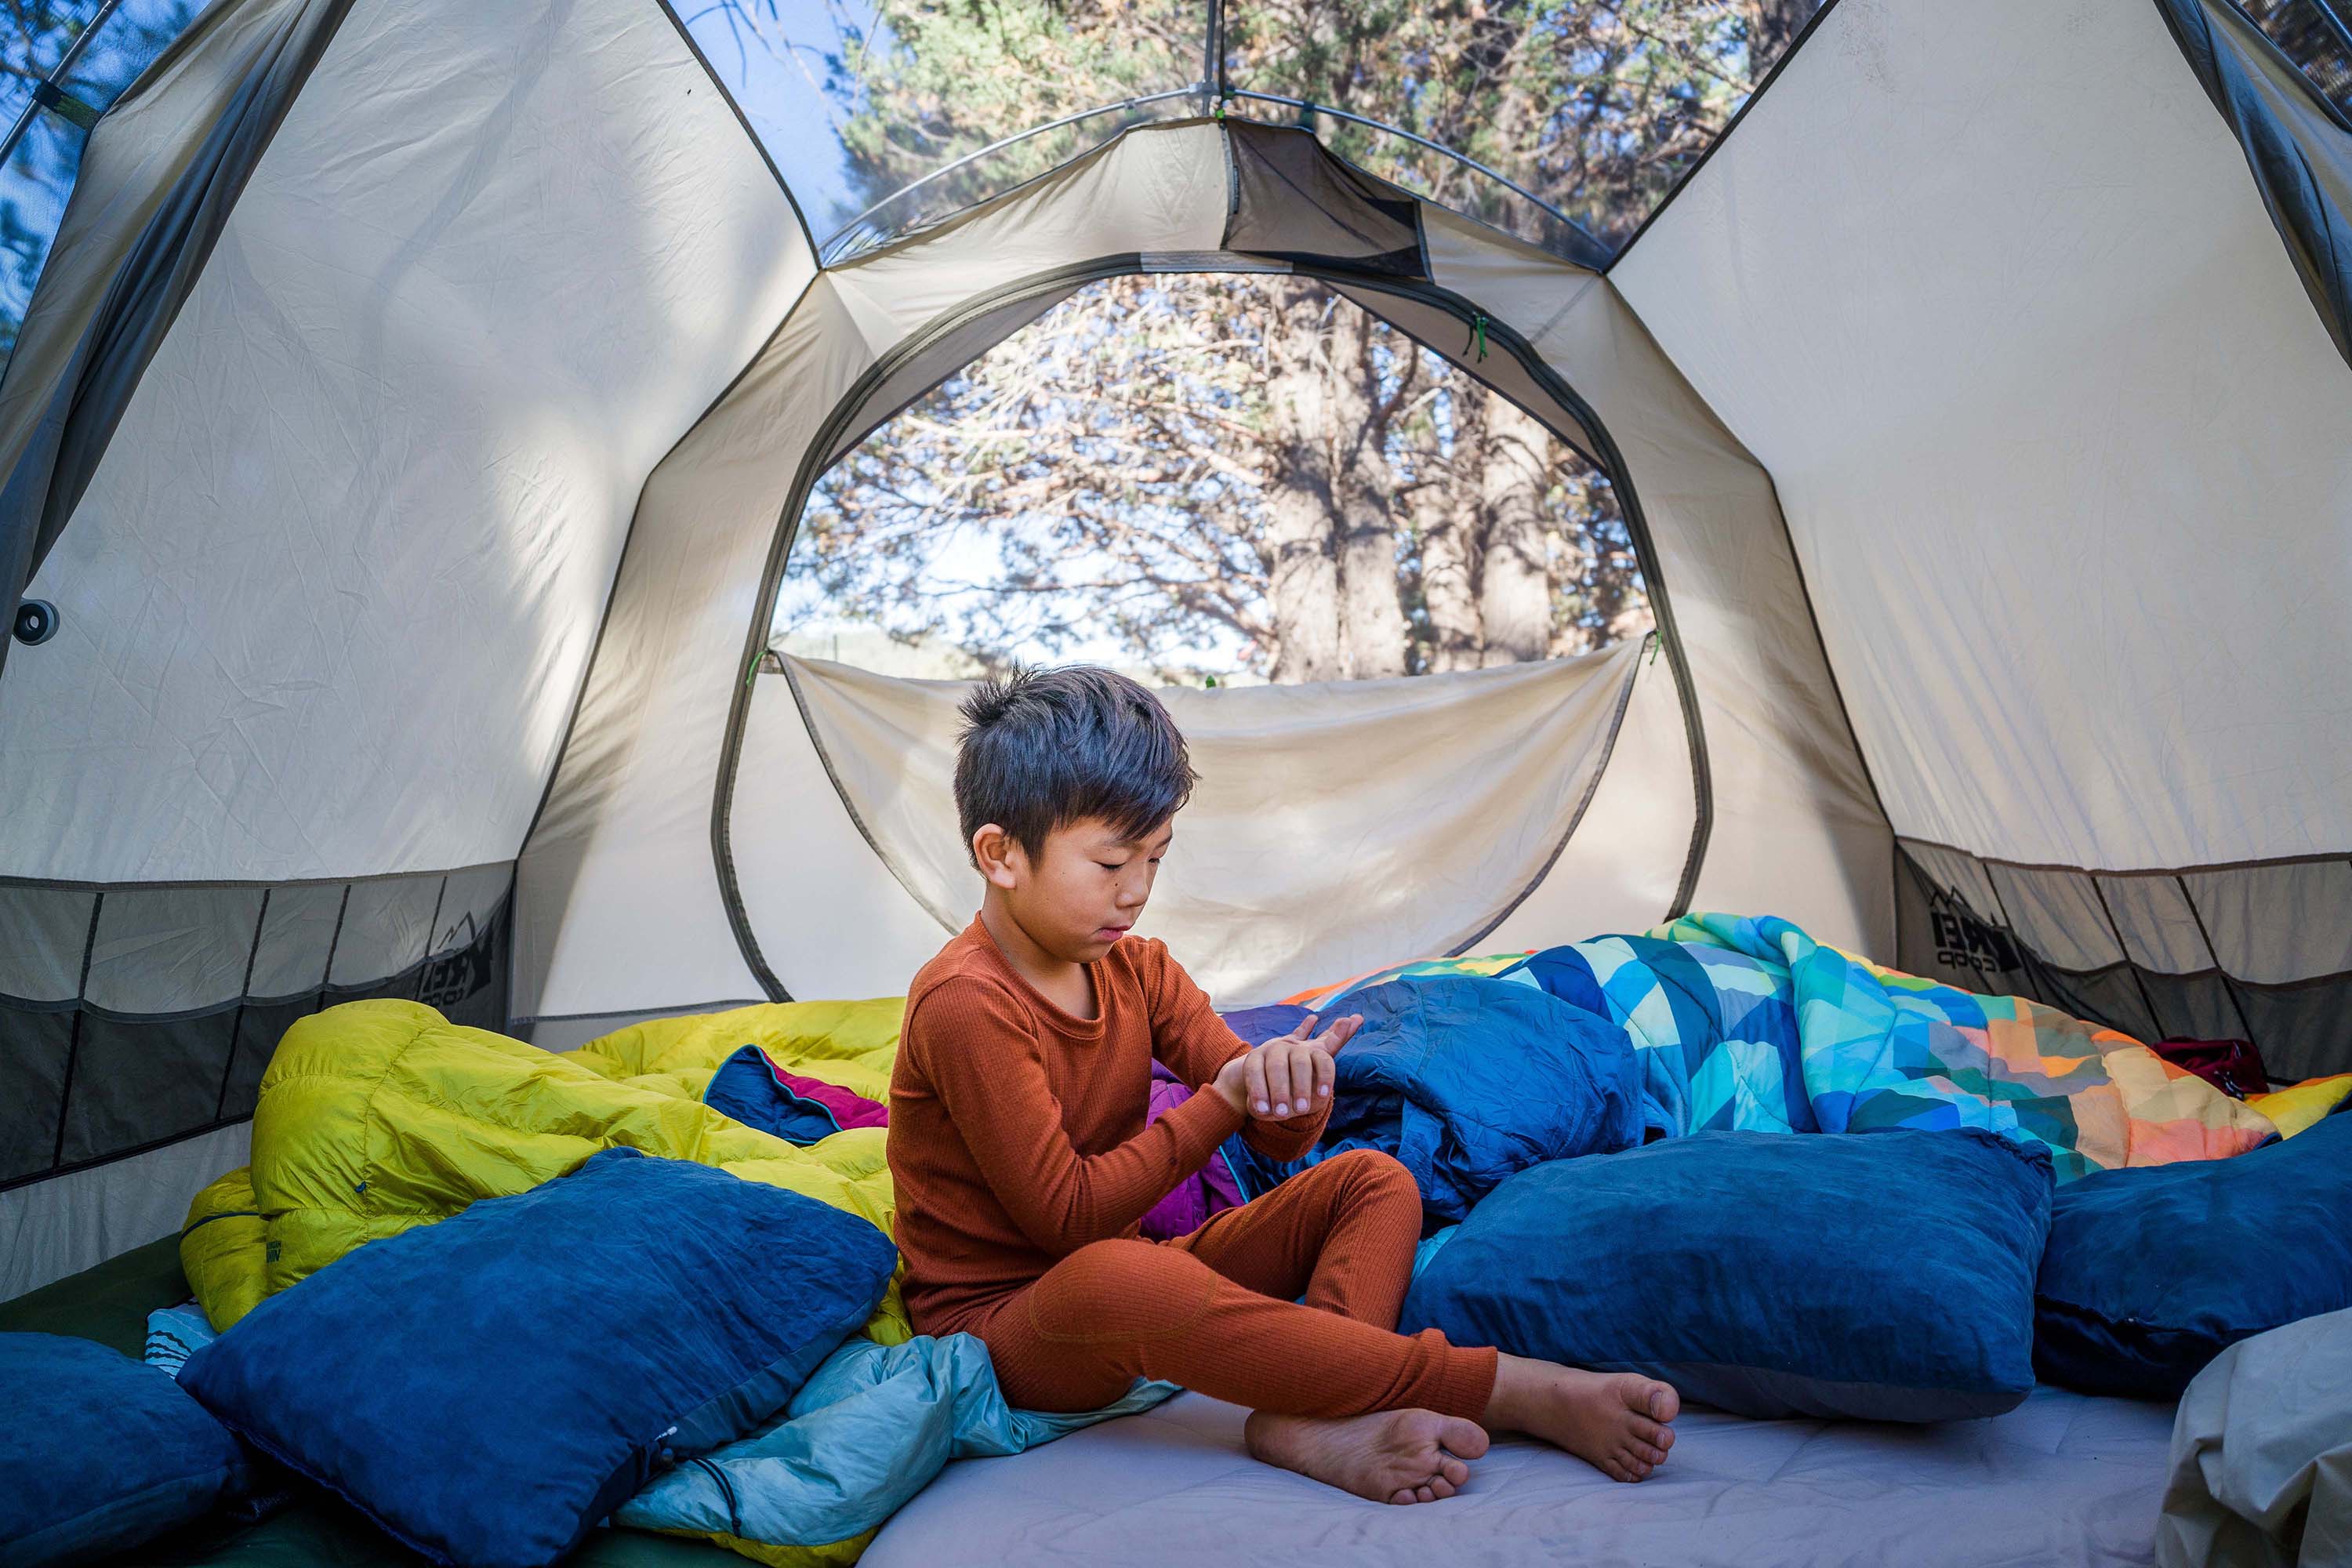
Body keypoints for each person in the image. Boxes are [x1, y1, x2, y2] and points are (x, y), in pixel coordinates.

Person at [885, 666, 1678, 1504]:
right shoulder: (966, 1001)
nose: (1138, 890)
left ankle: (1309, 1414)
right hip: (1008, 1323)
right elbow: (1069, 1213)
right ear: (1000, 854)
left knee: (1372, 1178)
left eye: (1155, 856)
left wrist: (1291, 1089)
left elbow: (1267, 1128)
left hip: (1128, 1266)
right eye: (1112, 861)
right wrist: (1224, 1100)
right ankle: (1508, 1387)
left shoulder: (1138, 967)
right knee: (1118, 1275)